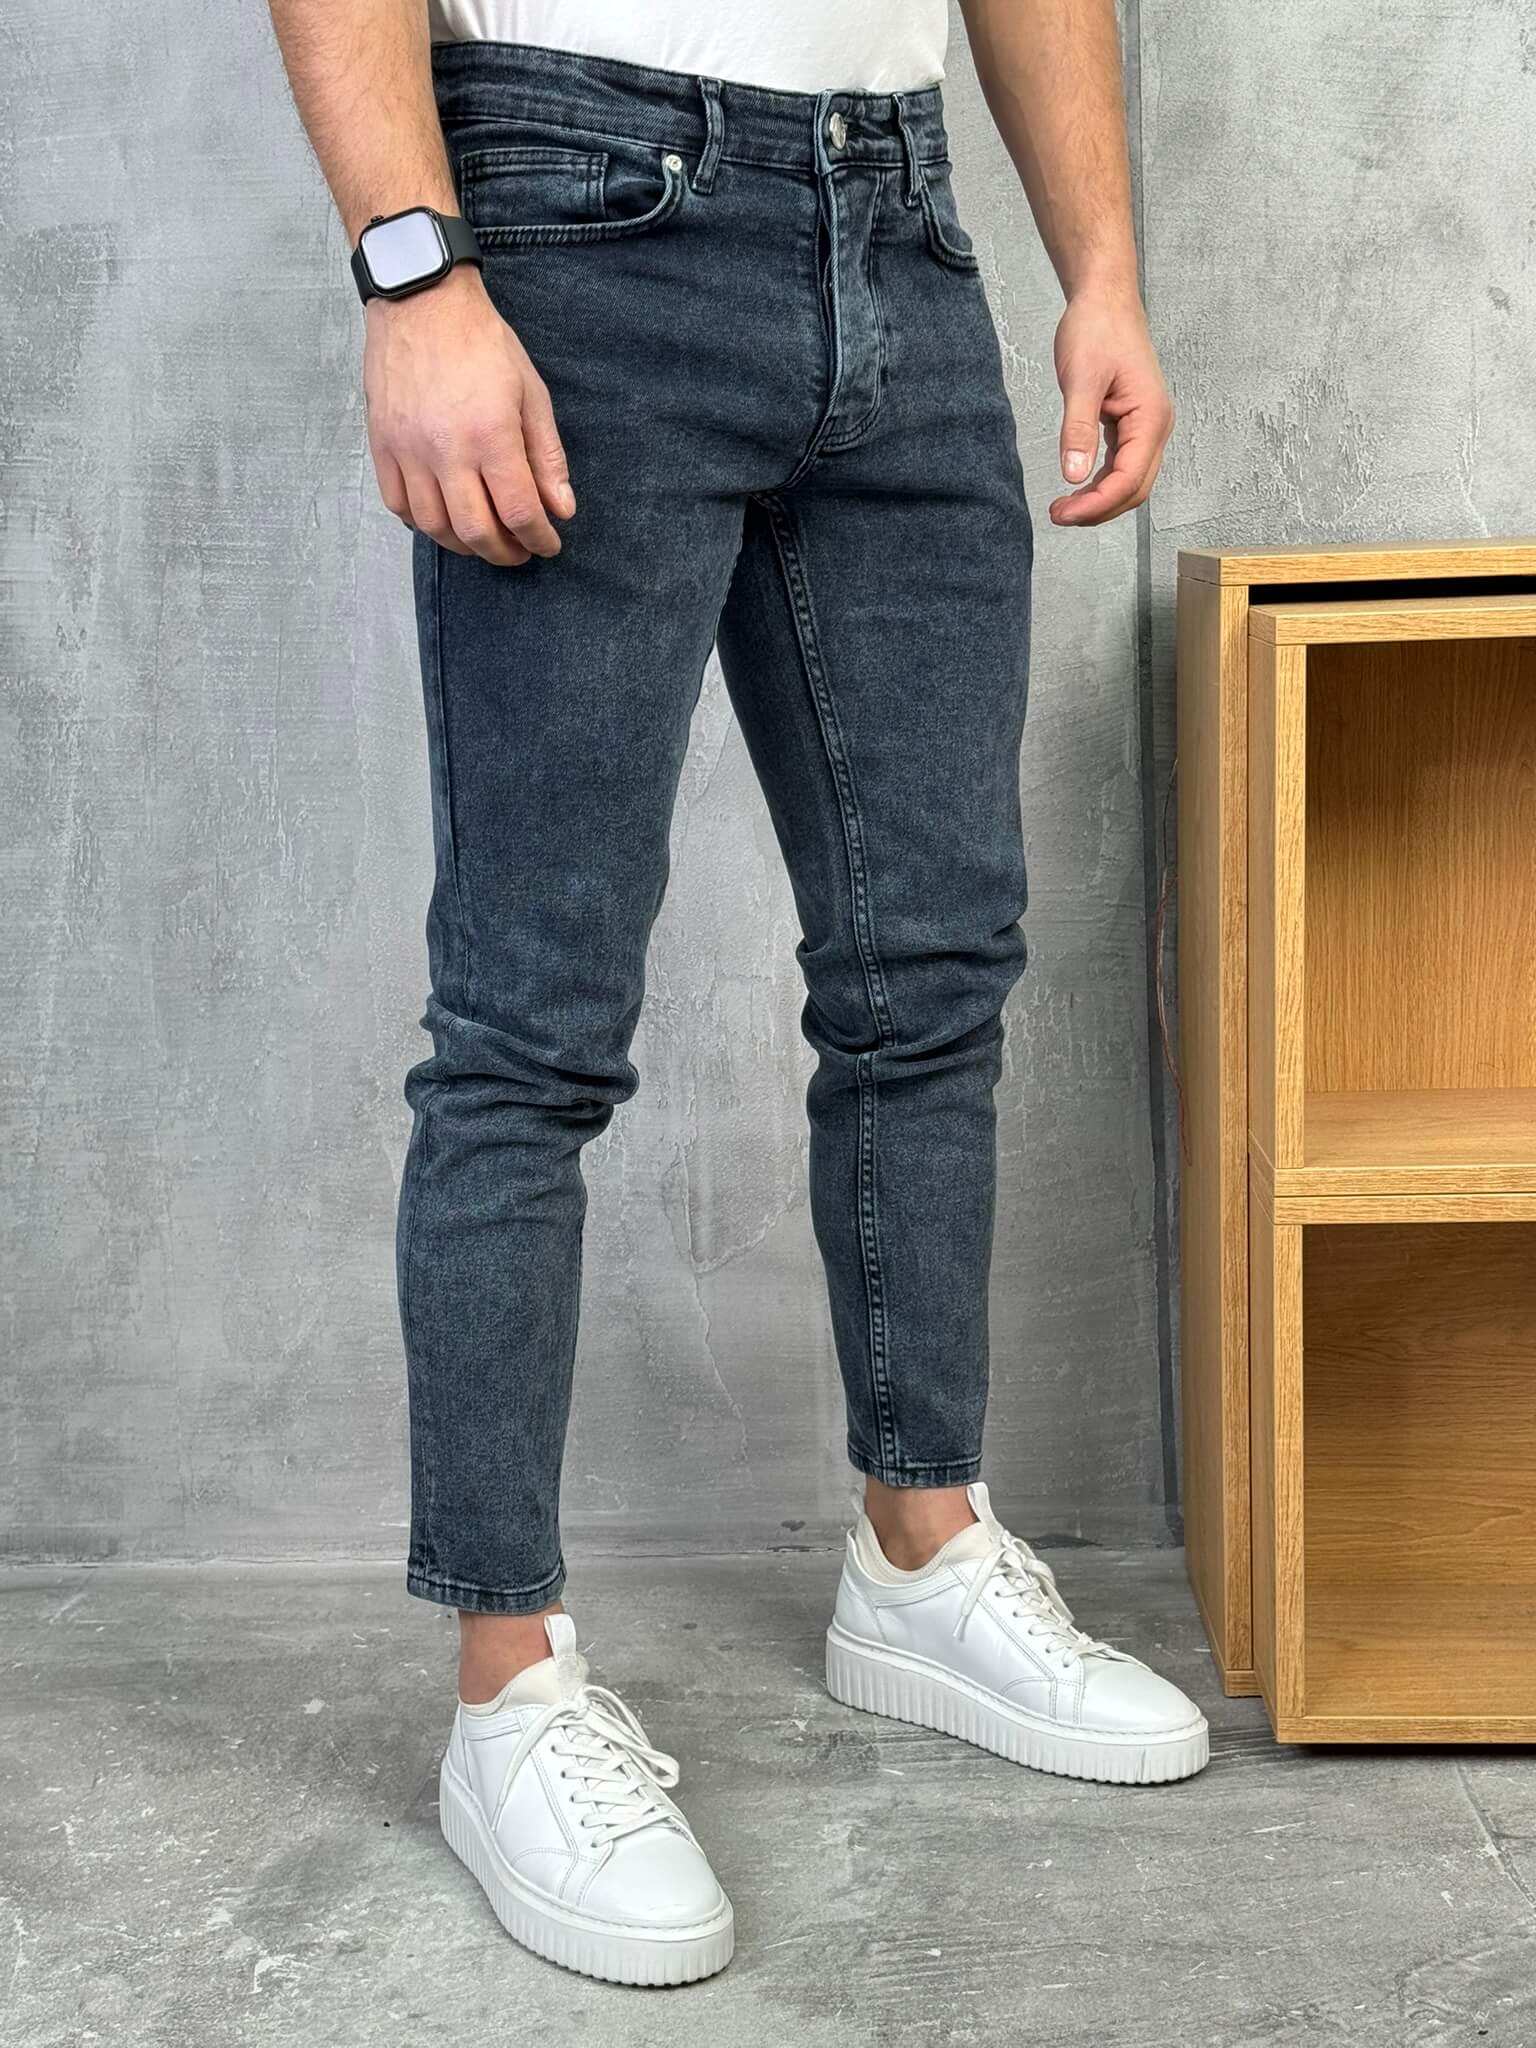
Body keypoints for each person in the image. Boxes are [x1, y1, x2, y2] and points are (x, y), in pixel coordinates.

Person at [268, 0, 1207, 1989]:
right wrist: (414, 273)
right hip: (577, 217)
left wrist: (1104, 268)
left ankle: (922, 1549)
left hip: (901, 221)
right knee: (530, 1026)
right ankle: (508, 1688)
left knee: (932, 970)